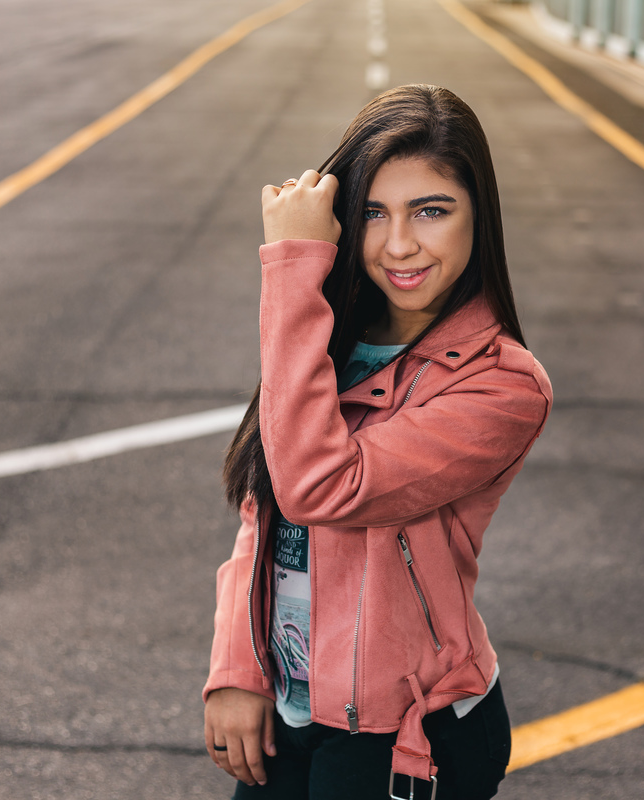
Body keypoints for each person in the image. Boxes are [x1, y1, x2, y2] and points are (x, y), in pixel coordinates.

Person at [203, 84, 552, 800]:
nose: (398, 244)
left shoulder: (503, 386)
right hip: (290, 711)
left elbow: (320, 485)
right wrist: (239, 669)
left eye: (431, 210)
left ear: (478, 218)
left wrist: (294, 266)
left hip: (401, 737)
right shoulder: (332, 341)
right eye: (372, 213)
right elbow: (263, 513)